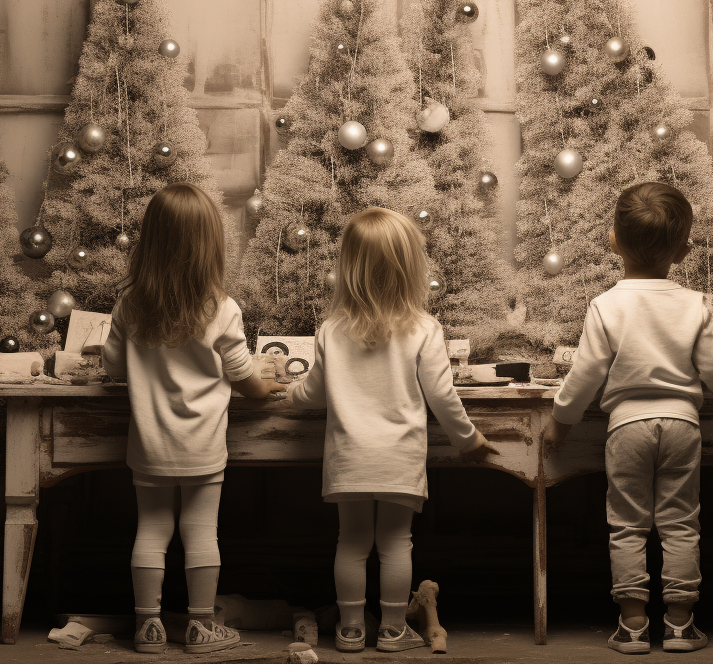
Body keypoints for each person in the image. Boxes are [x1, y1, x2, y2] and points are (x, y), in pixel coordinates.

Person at [263, 207, 499, 653]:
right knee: (395, 541)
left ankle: (351, 628)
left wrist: (280, 392)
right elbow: (443, 398)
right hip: (398, 457)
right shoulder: (424, 329)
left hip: (349, 457)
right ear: (410, 267)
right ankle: (392, 629)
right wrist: (469, 439)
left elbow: (313, 393)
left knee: (350, 541)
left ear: (348, 268)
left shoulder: (332, 330)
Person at [543, 182, 713, 655]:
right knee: (681, 523)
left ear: (613, 241)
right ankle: (680, 625)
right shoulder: (691, 304)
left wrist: (561, 419)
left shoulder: (606, 306)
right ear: (682, 251)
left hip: (627, 428)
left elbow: (585, 374)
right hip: (682, 425)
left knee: (627, 524)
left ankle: (633, 624)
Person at [102, 183, 278, 655]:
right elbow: (244, 378)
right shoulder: (222, 308)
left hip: (150, 444)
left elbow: (113, 367)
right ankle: (201, 627)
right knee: (201, 532)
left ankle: (148, 627)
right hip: (202, 445)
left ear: (150, 241)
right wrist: (267, 383)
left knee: (152, 530)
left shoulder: (130, 304)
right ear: (210, 244)